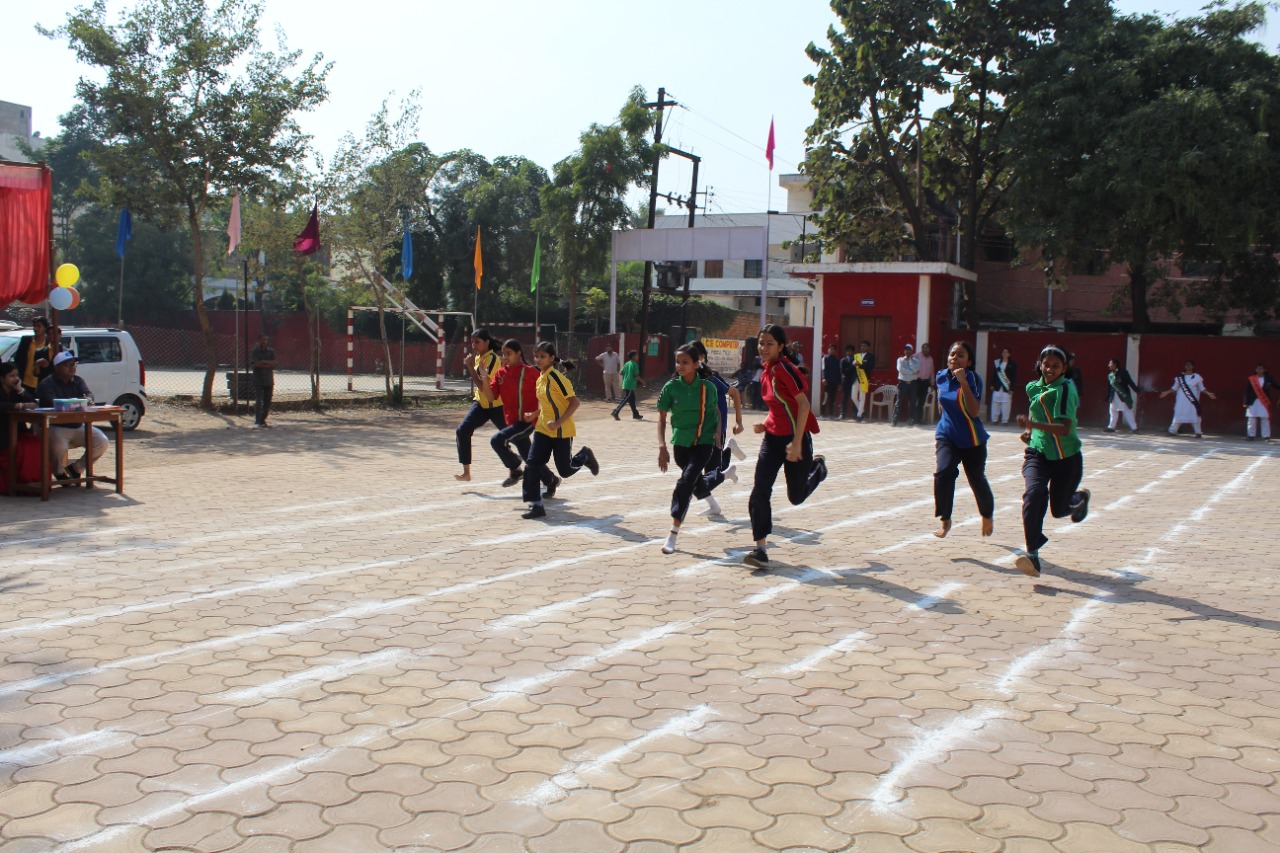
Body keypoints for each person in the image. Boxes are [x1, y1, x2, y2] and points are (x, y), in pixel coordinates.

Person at [745, 325, 827, 568]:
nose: (764, 348)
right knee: (760, 491)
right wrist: (765, 424)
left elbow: (803, 406)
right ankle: (760, 549)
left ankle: (818, 469)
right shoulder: (766, 372)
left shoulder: (785, 370)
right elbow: (778, 407)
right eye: (761, 343)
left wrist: (797, 442)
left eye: (769, 343)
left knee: (796, 496)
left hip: (796, 439)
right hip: (772, 440)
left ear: (781, 346)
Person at [1015, 345, 1091, 578]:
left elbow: (1065, 428)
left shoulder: (1066, 389)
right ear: (1040, 364)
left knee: (1058, 510)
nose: (1049, 369)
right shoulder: (1032, 387)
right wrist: (1031, 435)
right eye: (1046, 364)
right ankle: (1033, 556)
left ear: (1064, 368)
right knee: (1033, 496)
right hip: (1037, 454)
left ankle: (1080, 498)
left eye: (1056, 366)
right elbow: (1037, 416)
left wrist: (1034, 426)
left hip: (1066, 459)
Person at [521, 341, 600, 519]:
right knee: (532, 464)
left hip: (561, 431)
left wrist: (558, 423)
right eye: (537, 356)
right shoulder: (540, 378)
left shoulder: (557, 378)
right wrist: (533, 414)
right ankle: (536, 506)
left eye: (542, 356)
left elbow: (575, 402)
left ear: (551, 358)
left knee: (565, 470)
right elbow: (546, 403)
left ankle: (584, 455)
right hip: (542, 429)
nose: (539, 359)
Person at [656, 344, 722, 554]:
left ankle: (673, 533)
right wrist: (662, 447)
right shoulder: (670, 388)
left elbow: (717, 412)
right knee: (695, 481)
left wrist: (719, 432)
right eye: (678, 362)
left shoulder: (707, 388)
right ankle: (724, 475)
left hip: (703, 443)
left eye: (685, 362)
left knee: (686, 482)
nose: (680, 366)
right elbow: (662, 418)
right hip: (680, 445)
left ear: (696, 364)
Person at [477, 339, 559, 493]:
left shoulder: (530, 372)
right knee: (529, 457)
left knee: (497, 440)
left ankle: (515, 469)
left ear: (518, 353)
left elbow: (546, 395)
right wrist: (484, 376)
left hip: (527, 421)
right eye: (504, 353)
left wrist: (537, 413)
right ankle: (550, 480)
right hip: (512, 422)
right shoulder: (500, 374)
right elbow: (490, 397)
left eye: (509, 353)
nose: (505, 357)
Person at [933, 341, 995, 539]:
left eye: (960, 355)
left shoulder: (973, 378)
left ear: (968, 361)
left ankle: (987, 515)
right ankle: (945, 519)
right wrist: (944, 422)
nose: (955, 358)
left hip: (972, 439)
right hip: (947, 436)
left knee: (976, 479)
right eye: (952, 354)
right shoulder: (941, 376)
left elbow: (975, 410)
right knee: (943, 473)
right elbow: (941, 403)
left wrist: (964, 383)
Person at [688, 340, 745, 516]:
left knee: (711, 474)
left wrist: (739, 421)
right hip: (699, 431)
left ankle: (728, 461)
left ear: (702, 357)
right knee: (702, 474)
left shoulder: (710, 377)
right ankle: (714, 504)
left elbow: (734, 393)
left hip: (715, 431)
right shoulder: (689, 379)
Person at [37, 352, 110, 484]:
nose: (72, 367)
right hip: (55, 426)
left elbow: (88, 394)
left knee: (102, 441)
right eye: (68, 365)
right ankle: (59, 473)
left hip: (77, 425)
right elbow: (52, 401)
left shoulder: (78, 380)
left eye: (74, 364)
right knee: (59, 444)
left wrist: (88, 399)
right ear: (58, 367)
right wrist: (75, 403)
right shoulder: (46, 384)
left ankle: (76, 468)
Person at [456, 329, 506, 481]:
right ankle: (466, 473)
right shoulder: (478, 357)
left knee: (517, 438)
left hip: (496, 405)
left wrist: (470, 367)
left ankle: (545, 475)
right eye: (472, 342)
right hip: (482, 405)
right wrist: (472, 364)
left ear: (487, 342)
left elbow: (484, 387)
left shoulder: (490, 358)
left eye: (477, 341)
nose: (474, 345)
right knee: (462, 431)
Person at [0, 360, 42, 485]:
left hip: (18, 431)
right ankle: (19, 483)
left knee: (37, 443)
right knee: (22, 449)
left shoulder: (16, 391)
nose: (16, 379)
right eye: (12, 376)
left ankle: (36, 481)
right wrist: (19, 406)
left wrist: (20, 390)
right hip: (3, 434)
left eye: (17, 376)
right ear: (2, 378)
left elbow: (34, 403)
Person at [1159, 360, 1216, 438]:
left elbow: (1202, 388)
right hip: (1181, 400)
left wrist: (1208, 393)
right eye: (1186, 364)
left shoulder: (1197, 377)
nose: (1188, 366)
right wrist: (1166, 392)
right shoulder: (1180, 377)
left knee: (1195, 415)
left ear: (1193, 366)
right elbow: (1174, 388)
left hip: (1192, 400)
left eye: (1190, 365)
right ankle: (1173, 431)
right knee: (1178, 414)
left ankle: (1198, 432)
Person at [13, 316, 58, 396]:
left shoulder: (49, 344)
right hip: (26, 382)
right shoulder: (26, 341)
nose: (36, 328)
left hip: (43, 382)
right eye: (34, 326)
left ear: (45, 328)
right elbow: (18, 359)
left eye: (39, 326)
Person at [1105, 358, 1141, 434]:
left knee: (1127, 411)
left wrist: (1136, 390)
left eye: (1110, 363)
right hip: (1113, 396)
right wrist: (1108, 396)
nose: (1109, 365)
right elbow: (1110, 387)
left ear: (1115, 364)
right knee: (1112, 411)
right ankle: (1111, 427)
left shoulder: (1123, 372)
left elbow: (1129, 382)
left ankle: (1134, 428)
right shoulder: (1110, 375)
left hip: (1123, 396)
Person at [1244, 363, 1277, 442]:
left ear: (1264, 370)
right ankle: (1250, 435)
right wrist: (1245, 402)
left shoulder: (1268, 378)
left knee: (1265, 418)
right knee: (1252, 419)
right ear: (1255, 370)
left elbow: (1276, 386)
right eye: (1257, 369)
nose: (1259, 370)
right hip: (1252, 401)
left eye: (1261, 369)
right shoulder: (1252, 379)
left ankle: (1266, 436)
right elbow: (1247, 391)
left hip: (1264, 401)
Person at [249, 334, 277, 429]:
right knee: (259, 400)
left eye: (265, 339)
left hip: (269, 380)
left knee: (267, 401)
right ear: (258, 341)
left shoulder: (271, 351)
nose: (263, 341)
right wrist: (268, 363)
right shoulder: (255, 351)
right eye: (261, 340)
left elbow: (275, 363)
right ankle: (257, 421)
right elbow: (255, 363)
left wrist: (263, 362)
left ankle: (263, 420)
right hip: (258, 380)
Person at [611, 350, 646, 420]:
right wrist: (643, 382)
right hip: (630, 384)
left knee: (632, 400)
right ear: (633, 357)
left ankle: (635, 414)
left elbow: (621, 372)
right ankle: (616, 411)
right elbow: (636, 375)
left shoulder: (627, 363)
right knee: (626, 398)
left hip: (626, 383)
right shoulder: (634, 364)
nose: (638, 356)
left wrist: (628, 375)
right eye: (636, 355)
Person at [892, 343, 919, 426]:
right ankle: (895, 420)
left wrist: (910, 361)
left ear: (912, 351)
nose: (907, 351)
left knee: (913, 402)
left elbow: (916, 369)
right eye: (906, 349)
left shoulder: (916, 361)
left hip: (913, 384)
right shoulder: (900, 360)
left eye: (909, 349)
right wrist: (912, 372)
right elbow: (901, 370)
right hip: (903, 383)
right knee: (898, 402)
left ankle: (912, 419)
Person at [990, 348, 1017, 425]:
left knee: (1006, 404)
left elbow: (1013, 377)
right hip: (997, 386)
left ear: (1009, 354)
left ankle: (1005, 421)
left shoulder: (1012, 364)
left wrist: (1012, 388)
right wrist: (992, 384)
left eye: (1006, 352)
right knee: (995, 403)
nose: (1004, 354)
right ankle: (994, 420)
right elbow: (994, 374)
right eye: (1003, 352)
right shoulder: (997, 363)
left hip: (1007, 387)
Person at [915, 342, 935, 423]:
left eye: (927, 348)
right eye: (924, 348)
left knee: (921, 401)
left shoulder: (930, 359)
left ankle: (919, 419)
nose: (925, 349)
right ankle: (912, 418)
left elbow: (932, 371)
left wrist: (932, 383)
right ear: (921, 349)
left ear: (929, 349)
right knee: (914, 400)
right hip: (917, 381)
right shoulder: (916, 356)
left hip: (925, 382)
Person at [821, 344, 841, 419]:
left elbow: (838, 372)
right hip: (827, 381)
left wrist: (839, 382)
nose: (832, 350)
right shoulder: (825, 358)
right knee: (825, 398)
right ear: (828, 350)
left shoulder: (836, 360)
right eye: (830, 349)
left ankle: (831, 414)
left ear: (835, 350)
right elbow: (823, 369)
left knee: (833, 398)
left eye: (833, 349)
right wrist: (823, 378)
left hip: (834, 382)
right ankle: (822, 414)